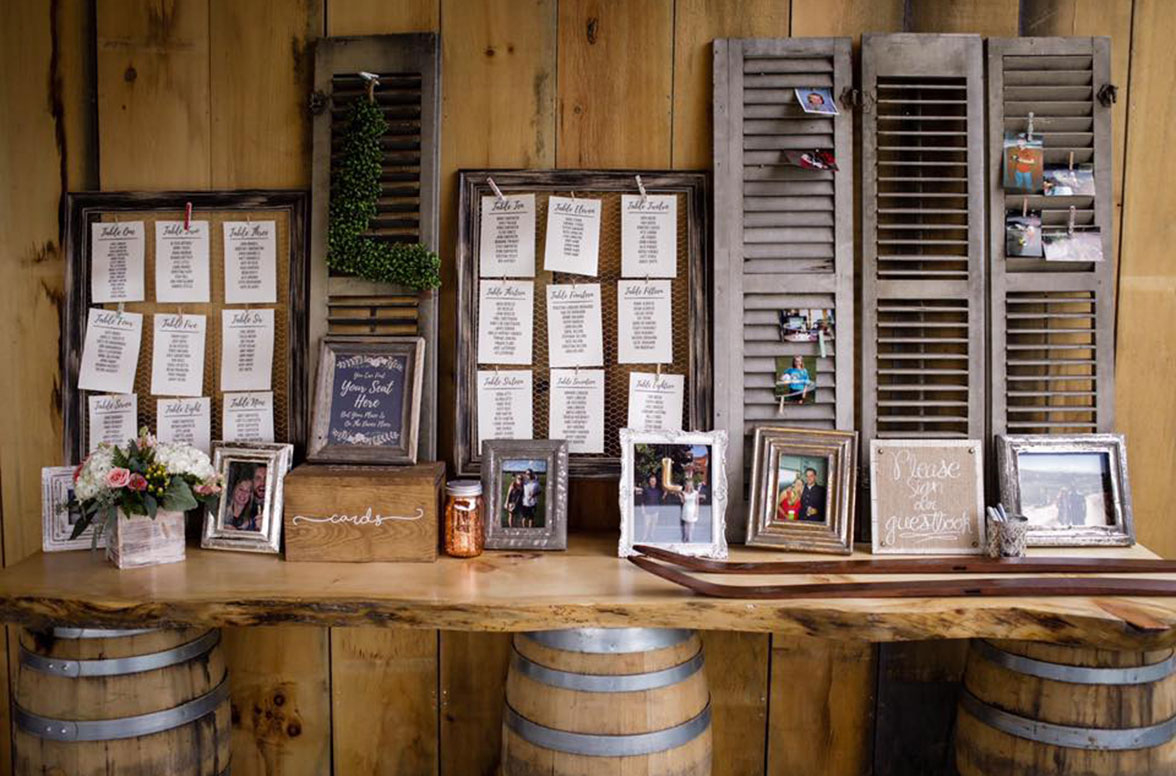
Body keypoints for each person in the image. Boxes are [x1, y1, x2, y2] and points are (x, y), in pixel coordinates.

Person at [671, 478, 702, 542]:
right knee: (686, 525)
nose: (688, 486)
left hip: (692, 509)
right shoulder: (684, 493)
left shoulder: (695, 493)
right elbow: (683, 501)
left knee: (691, 525)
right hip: (686, 509)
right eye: (687, 485)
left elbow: (697, 503)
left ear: (692, 486)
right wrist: (680, 496)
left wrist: (697, 511)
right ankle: (685, 538)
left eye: (689, 485)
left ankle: (689, 538)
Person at [635, 473, 664, 542]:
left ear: (656, 482)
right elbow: (642, 500)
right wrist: (643, 509)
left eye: (654, 481)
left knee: (653, 525)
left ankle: (652, 536)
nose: (653, 482)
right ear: (649, 481)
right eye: (651, 481)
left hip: (655, 511)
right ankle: (644, 537)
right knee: (646, 525)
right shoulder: (646, 490)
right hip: (647, 511)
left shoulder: (658, 491)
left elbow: (660, 499)